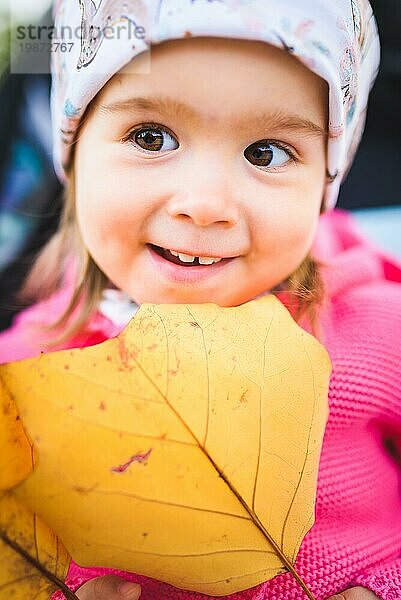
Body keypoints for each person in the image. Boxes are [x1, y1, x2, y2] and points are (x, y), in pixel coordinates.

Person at [0, 1, 400, 599]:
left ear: (324, 182)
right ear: (75, 158)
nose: (204, 201)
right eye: (150, 136)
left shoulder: (376, 329)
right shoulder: (24, 377)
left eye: (266, 152)